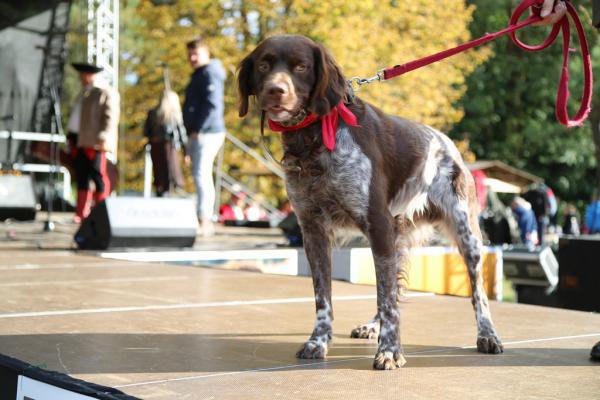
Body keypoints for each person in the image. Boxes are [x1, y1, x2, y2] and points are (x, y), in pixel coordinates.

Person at [183, 37, 226, 235]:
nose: (192, 57)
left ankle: (205, 220)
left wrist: (199, 129)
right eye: (190, 54)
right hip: (199, 132)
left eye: (196, 53)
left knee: (202, 174)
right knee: (199, 174)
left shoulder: (210, 73)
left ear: (207, 53)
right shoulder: (199, 74)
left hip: (207, 132)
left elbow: (212, 105)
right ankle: (202, 217)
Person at [70, 62, 119, 223]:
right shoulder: (84, 93)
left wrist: (104, 135)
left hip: (96, 143)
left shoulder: (104, 92)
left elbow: (110, 116)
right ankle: (82, 212)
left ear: (90, 75)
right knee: (82, 177)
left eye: (83, 75)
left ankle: (101, 211)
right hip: (81, 141)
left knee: (98, 176)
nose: (80, 79)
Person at [144, 90, 187, 197]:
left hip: (155, 146)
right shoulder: (174, 115)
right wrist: (186, 151)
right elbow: (181, 134)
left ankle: (162, 193)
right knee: (170, 171)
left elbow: (146, 132)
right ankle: (168, 194)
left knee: (159, 171)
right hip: (168, 146)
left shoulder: (153, 112)